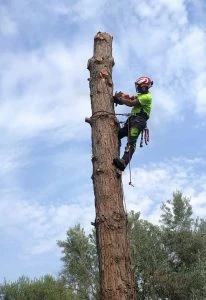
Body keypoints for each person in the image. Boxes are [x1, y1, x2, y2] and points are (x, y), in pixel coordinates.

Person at [113, 76, 153, 172]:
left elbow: (131, 103)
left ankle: (123, 162)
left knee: (131, 142)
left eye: (140, 87)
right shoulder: (141, 96)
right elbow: (130, 98)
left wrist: (121, 99)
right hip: (132, 120)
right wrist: (121, 97)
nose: (138, 89)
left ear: (144, 87)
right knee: (118, 134)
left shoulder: (147, 97)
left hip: (139, 121)